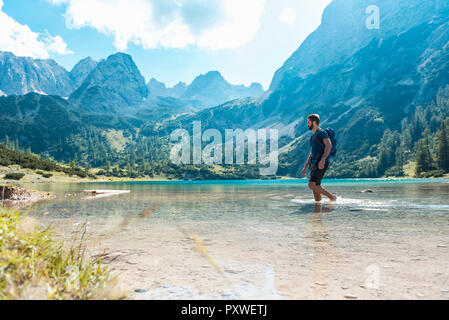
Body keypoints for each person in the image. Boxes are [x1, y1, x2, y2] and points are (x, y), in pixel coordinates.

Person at [301, 114, 338, 202]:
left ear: (314, 122)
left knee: (311, 185)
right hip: (314, 163)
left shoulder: (322, 133)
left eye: (309, 122)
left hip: (321, 162)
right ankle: (318, 211)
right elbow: (311, 153)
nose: (307, 124)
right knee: (315, 191)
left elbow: (328, 145)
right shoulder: (312, 136)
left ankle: (332, 197)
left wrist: (323, 159)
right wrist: (305, 167)